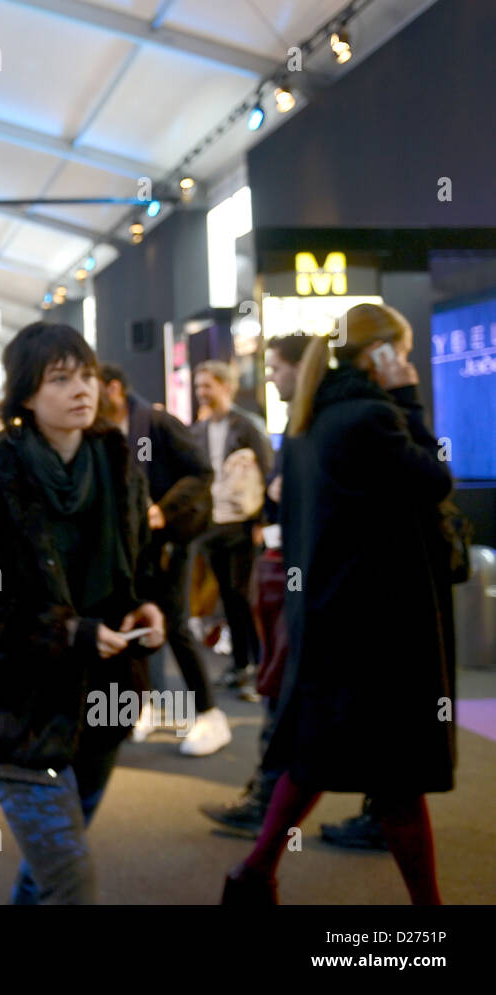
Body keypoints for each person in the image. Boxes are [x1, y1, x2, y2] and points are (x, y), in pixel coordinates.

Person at [223, 304, 455, 905]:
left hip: (328, 621)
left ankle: (252, 878)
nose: (404, 364)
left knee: (317, 761)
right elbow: (434, 478)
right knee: (395, 775)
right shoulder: (374, 415)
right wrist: (408, 398)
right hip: (380, 626)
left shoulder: (309, 420)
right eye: (398, 352)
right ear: (377, 354)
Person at [0, 323, 165, 904]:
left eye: (86, 374)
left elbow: (132, 569)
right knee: (71, 882)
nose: (81, 389)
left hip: (103, 705)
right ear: (27, 395)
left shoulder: (115, 464)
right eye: (60, 379)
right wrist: (69, 634)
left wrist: (143, 609)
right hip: (21, 717)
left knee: (47, 871)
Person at [202, 333, 308, 832]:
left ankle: (264, 816)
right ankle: (264, 831)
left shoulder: (274, 427)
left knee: (289, 703)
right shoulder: (300, 423)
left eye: (278, 368)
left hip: (293, 571)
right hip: (246, 548)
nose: (270, 377)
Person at [99, 364, 228, 756]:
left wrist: (163, 511)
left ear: (114, 388)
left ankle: (208, 713)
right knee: (138, 619)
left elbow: (201, 472)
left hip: (170, 543)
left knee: (174, 624)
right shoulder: (103, 432)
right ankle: (146, 704)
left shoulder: (156, 421)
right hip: (131, 547)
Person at [190, 361, 273, 693]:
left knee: (244, 597)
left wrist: (261, 522)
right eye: (198, 386)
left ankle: (257, 666)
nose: (201, 392)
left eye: (206, 385)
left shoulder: (247, 425)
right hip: (211, 526)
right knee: (227, 597)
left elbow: (267, 472)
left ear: (226, 385)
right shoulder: (197, 430)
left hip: (242, 525)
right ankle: (241, 664)